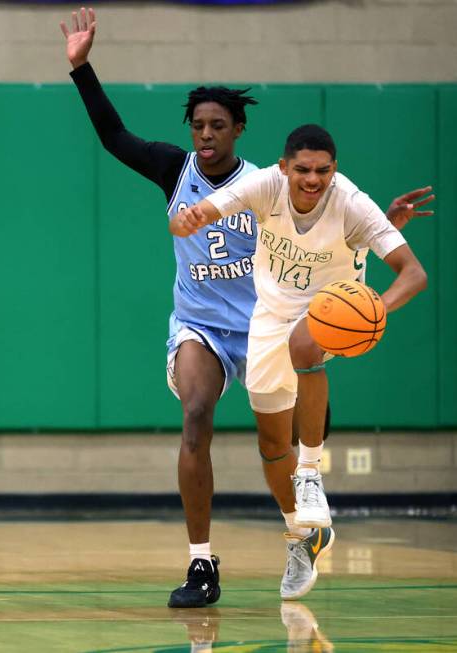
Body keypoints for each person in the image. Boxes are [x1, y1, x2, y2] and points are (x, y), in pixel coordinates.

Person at [60, 6, 435, 608]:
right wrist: (82, 69)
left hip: (268, 322)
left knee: (276, 449)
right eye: (197, 125)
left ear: (238, 131)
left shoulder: (271, 182)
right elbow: (113, 137)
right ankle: (201, 565)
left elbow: (320, 235)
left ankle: (302, 531)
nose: (205, 135)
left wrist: (376, 226)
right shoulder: (173, 169)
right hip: (202, 325)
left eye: (217, 126)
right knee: (195, 415)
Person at [170, 123, 428, 601]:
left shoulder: (352, 203)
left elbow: (414, 274)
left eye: (324, 171)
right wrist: (188, 220)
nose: (313, 179)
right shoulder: (265, 185)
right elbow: (204, 210)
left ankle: (311, 472)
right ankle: (304, 536)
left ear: (335, 170)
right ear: (284, 167)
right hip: (268, 317)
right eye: (303, 170)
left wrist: (376, 308)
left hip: (331, 310)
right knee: (270, 448)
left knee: (307, 345)